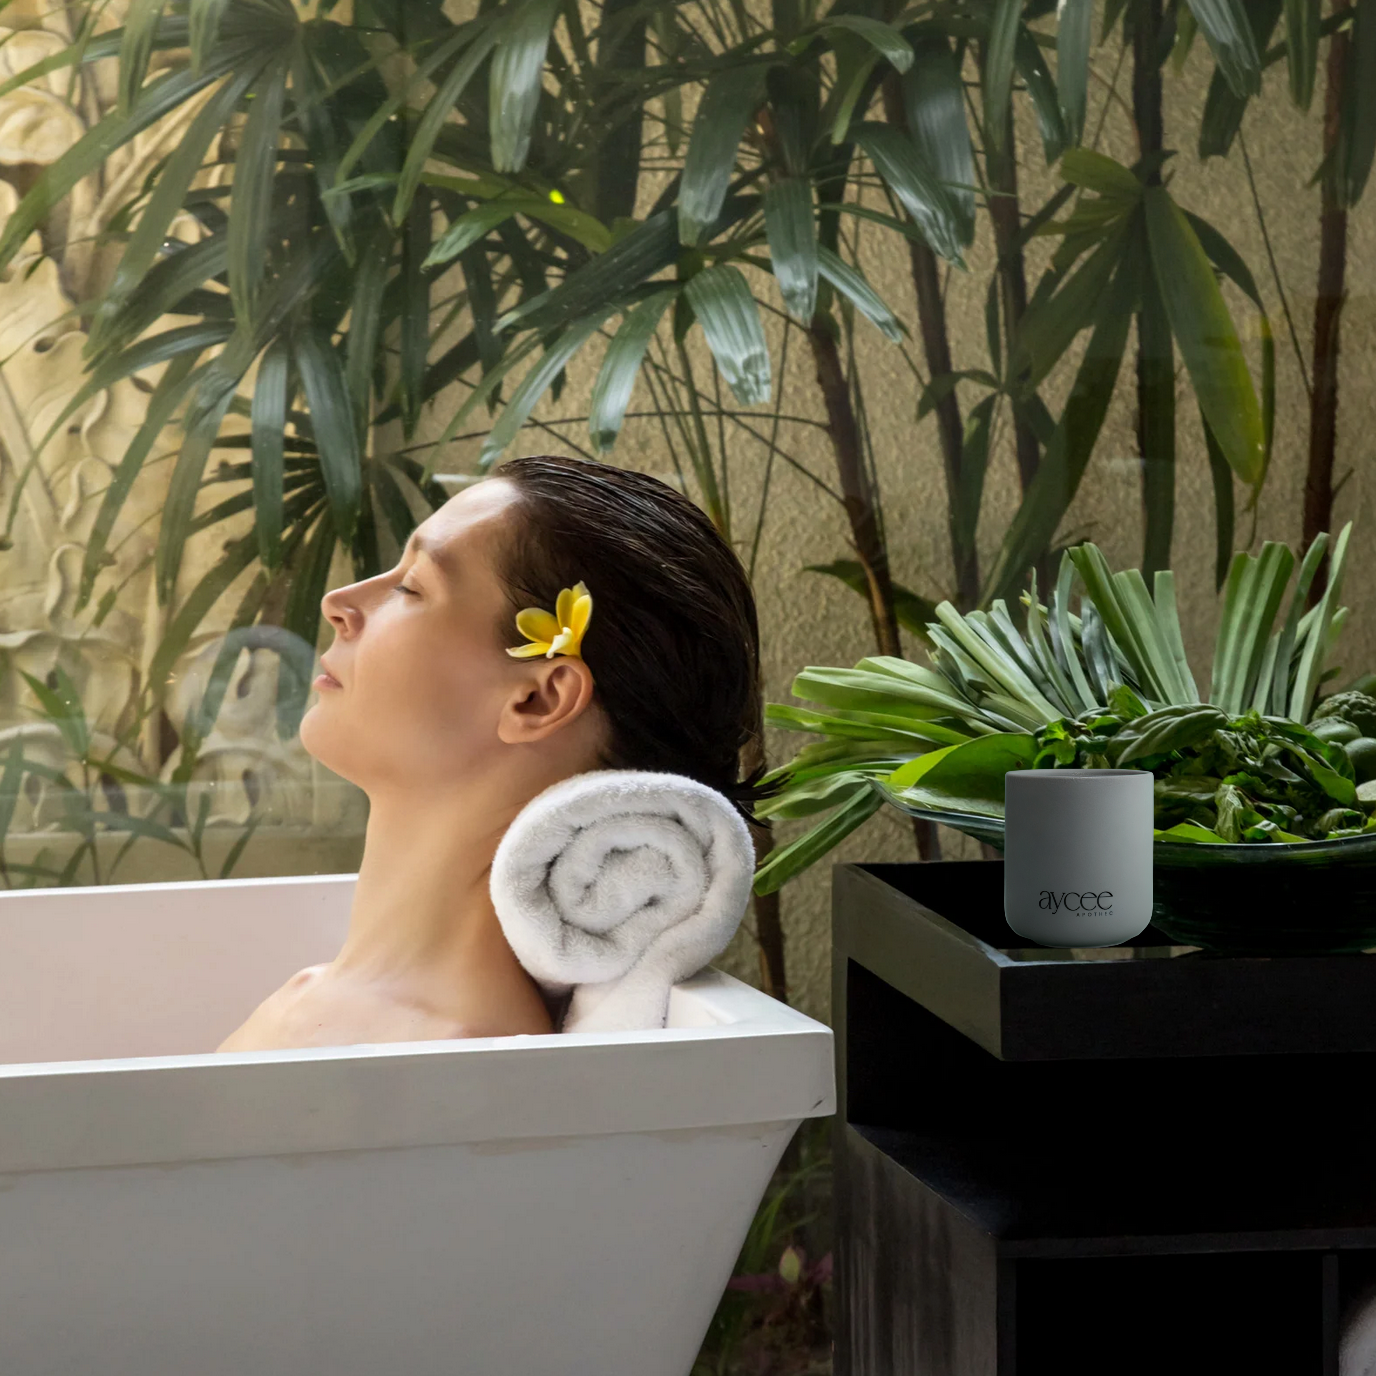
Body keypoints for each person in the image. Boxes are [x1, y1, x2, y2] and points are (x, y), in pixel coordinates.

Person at [218, 455, 768, 1051]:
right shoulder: (325, 1004)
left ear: (536, 699)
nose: (339, 602)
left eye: (410, 586)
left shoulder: (456, 1063)